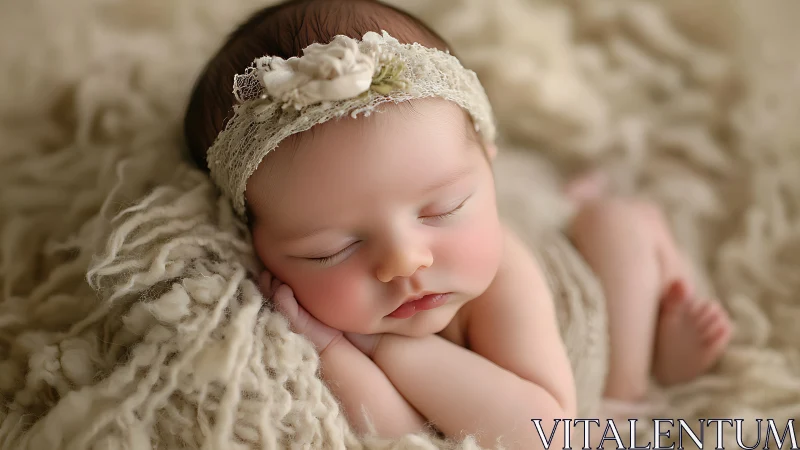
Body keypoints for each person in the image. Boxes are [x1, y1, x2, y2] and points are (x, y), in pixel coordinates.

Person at [183, 0, 733, 447]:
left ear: (487, 161)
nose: (404, 261)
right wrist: (332, 355)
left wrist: (383, 351)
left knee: (616, 226)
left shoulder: (501, 278)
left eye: (442, 210)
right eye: (332, 248)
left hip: (590, 326)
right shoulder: (309, 320)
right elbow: (403, 437)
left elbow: (548, 435)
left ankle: (635, 384)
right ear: (257, 245)